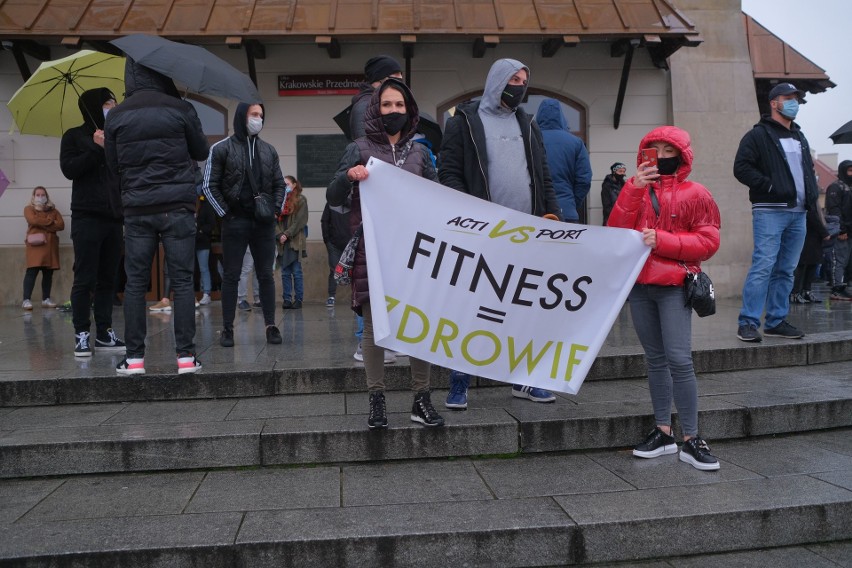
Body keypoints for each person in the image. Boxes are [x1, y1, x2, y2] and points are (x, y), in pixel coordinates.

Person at [438, 58, 562, 409]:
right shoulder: (464, 121)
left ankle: (525, 380)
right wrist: (471, 214)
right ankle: (459, 381)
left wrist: (552, 213)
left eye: (525, 80)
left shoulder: (528, 122)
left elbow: (542, 173)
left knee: (525, 308)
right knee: (469, 309)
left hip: (527, 233)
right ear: (496, 81)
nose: (520, 86)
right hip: (482, 235)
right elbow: (448, 173)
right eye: (514, 79)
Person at [327, 77, 444, 429]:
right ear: (376, 109)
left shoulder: (421, 153)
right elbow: (333, 196)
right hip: (373, 252)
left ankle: (421, 400)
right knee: (375, 328)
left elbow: (440, 199)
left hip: (415, 253)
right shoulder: (359, 148)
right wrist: (349, 176)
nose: (393, 110)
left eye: (400, 105)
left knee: (420, 327)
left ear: (409, 111)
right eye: (387, 104)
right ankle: (376, 401)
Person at [607, 125, 722, 471]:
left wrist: (664, 241)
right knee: (655, 359)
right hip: (640, 286)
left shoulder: (697, 193)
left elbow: (708, 242)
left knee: (679, 359)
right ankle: (662, 431)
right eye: (653, 149)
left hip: (673, 285)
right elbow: (616, 232)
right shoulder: (634, 189)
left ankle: (691, 437)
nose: (660, 156)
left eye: (667, 150)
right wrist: (632, 190)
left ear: (681, 155)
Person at [104, 57, 209, 375]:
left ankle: (134, 358)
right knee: (182, 280)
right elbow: (201, 152)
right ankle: (186, 357)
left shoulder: (117, 115)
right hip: (177, 207)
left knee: (135, 283)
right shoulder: (179, 108)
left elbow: (111, 164)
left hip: (137, 210)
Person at [733, 83, 819, 342]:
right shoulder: (757, 135)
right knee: (763, 266)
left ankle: (776, 320)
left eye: (796, 99)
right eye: (788, 98)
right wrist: (770, 186)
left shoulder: (799, 136)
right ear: (774, 103)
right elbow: (741, 168)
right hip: (770, 211)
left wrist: (812, 194)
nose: (793, 103)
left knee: (787, 269)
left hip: (799, 213)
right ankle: (747, 322)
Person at [204, 103, 286, 347]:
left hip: (263, 223)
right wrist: (226, 214)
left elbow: (279, 184)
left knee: (266, 275)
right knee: (231, 275)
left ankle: (271, 326)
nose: (258, 119)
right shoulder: (221, 148)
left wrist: (274, 210)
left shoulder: (268, 150)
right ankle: (227, 328)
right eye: (254, 114)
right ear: (242, 117)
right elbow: (209, 185)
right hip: (235, 220)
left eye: (261, 115)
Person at [59, 88, 126, 357]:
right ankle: (82, 333)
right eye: (109, 103)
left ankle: (105, 332)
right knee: (84, 278)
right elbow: (69, 169)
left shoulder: (115, 137)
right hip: (87, 216)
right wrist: (97, 150)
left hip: (112, 217)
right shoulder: (74, 135)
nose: (114, 107)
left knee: (108, 279)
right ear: (94, 106)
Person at [534, 98, 591, 223]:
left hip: (535, 211)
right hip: (566, 210)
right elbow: (584, 180)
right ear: (561, 115)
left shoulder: (531, 139)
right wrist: (571, 202)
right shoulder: (576, 142)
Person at [22, 186, 65, 311]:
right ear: (33, 196)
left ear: (46, 196)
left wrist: (44, 223)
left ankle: (46, 299)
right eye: (38, 194)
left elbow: (61, 225)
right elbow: (33, 220)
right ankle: (26, 300)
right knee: (31, 272)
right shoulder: (29, 209)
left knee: (48, 274)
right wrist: (50, 222)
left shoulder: (53, 210)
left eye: (43, 194)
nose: (40, 197)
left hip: (50, 247)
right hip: (35, 246)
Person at [348, 55, 403, 141]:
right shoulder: (365, 106)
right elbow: (364, 147)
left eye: (400, 80)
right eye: (395, 79)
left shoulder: (378, 101)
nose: (399, 85)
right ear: (379, 79)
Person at [277, 175, 308, 309]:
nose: (285, 187)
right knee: (284, 272)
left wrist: (287, 234)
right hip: (282, 242)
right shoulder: (279, 201)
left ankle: (299, 299)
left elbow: (300, 221)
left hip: (295, 240)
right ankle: (287, 299)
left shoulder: (301, 200)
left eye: (287, 184)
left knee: (296, 271)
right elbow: (274, 220)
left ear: (294, 184)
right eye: (283, 185)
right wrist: (279, 234)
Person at [790, 205, 830, 304]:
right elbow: (813, 217)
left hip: (814, 239)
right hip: (807, 238)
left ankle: (806, 291)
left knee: (812, 265)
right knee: (802, 266)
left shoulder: (813, 200)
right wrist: (824, 233)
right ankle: (795, 293)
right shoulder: (808, 203)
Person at [825, 160, 852, 300]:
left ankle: (844, 286)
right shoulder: (836, 187)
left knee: (847, 261)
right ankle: (837, 288)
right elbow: (834, 209)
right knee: (839, 260)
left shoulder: (849, 187)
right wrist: (840, 230)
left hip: (850, 230)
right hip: (842, 231)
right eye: (849, 170)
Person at [321, 201, 351, 307]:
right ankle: (331, 296)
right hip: (334, 244)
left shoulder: (354, 201)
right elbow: (324, 221)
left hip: (351, 243)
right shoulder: (331, 202)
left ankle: (355, 296)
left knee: (354, 270)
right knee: (334, 270)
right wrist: (327, 240)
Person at [196, 191, 216, 305]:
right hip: (189, 242)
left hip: (202, 242)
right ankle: (192, 293)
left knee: (204, 268)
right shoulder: (186, 205)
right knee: (190, 269)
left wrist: (201, 231)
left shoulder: (205, 205)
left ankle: (206, 293)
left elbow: (211, 224)